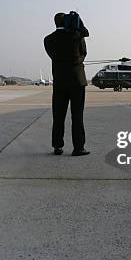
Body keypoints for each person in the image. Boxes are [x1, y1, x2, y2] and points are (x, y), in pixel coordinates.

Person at [44, 12, 90, 156]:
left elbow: (53, 56)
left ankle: (57, 146)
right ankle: (78, 148)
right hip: (77, 81)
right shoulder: (76, 36)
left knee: (58, 115)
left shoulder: (48, 39)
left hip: (59, 82)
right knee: (77, 115)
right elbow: (84, 53)